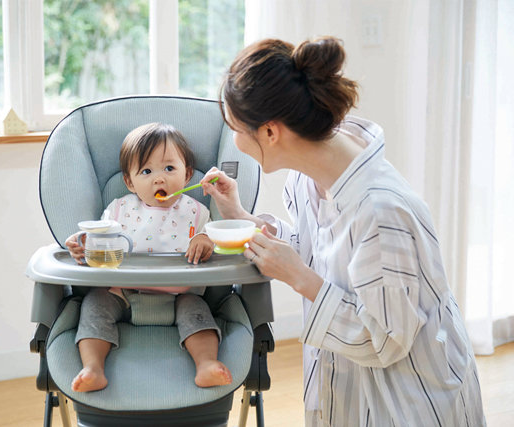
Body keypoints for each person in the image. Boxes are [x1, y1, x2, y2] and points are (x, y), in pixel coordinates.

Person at [201, 37, 485, 426]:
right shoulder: (313, 174)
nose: (233, 140)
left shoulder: (381, 212)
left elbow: (384, 339)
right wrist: (240, 217)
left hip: (409, 402)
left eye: (235, 128)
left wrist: (300, 278)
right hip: (348, 386)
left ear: (269, 132)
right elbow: (315, 249)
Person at [65, 122, 232, 392]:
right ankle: (93, 368)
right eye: (146, 171)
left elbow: (213, 238)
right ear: (129, 182)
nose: (159, 178)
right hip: (123, 293)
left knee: (199, 314)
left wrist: (205, 240)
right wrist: (83, 244)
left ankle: (206, 364)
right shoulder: (119, 210)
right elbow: (100, 238)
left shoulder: (196, 211)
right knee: (95, 304)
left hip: (181, 295)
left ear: (187, 174)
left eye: (169, 168)